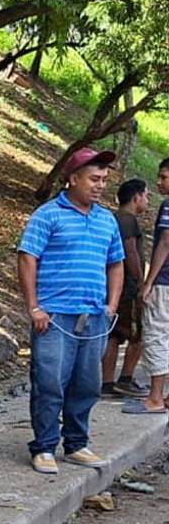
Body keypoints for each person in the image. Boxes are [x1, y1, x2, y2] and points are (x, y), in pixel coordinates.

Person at [18, 147, 125, 474]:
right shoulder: (48, 215)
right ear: (73, 179)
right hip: (54, 317)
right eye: (94, 178)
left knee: (87, 383)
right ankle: (45, 447)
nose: (100, 185)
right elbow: (27, 258)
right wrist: (34, 306)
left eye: (104, 180)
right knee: (50, 381)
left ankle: (77, 443)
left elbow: (116, 263)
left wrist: (112, 306)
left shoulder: (106, 219)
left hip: (94, 316)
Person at [125, 159, 169, 415]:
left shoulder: (168, 206)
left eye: (163, 177)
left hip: (165, 282)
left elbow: (165, 242)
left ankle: (154, 398)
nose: (159, 182)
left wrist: (148, 282)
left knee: (157, 336)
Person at [101, 178, 149, 395]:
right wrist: (141, 282)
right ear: (136, 197)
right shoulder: (127, 220)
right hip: (128, 287)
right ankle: (125, 378)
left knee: (114, 334)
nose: (147, 201)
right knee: (138, 333)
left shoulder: (114, 218)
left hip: (115, 285)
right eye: (146, 195)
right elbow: (130, 251)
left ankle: (107, 382)